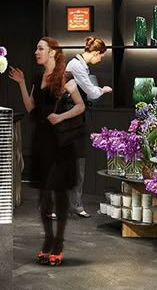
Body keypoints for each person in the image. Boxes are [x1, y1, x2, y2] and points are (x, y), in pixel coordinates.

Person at [9, 37, 85, 266]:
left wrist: (61, 116)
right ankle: (48, 239)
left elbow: (80, 105)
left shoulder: (64, 78)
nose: (36, 51)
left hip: (60, 144)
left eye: (40, 48)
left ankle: (58, 242)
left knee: (59, 193)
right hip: (42, 142)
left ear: (53, 52)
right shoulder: (36, 78)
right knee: (43, 195)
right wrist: (22, 83)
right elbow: (31, 108)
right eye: (36, 48)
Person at [65, 37, 112, 218]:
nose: (100, 60)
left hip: (78, 116)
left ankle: (75, 204)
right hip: (70, 117)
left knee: (79, 162)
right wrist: (103, 89)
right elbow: (91, 92)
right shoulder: (76, 66)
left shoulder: (81, 66)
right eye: (101, 56)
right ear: (95, 53)